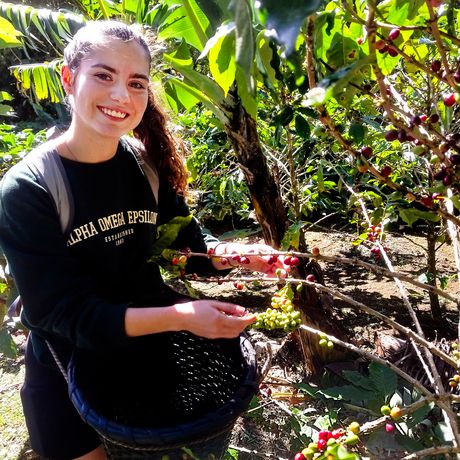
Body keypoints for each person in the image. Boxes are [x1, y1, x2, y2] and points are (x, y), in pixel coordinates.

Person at [0, 21, 288, 460]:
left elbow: (185, 245)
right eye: (103, 75)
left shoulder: (144, 166)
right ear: (67, 77)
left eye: (137, 82)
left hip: (149, 359)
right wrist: (183, 316)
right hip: (66, 368)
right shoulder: (29, 190)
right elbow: (63, 313)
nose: (121, 96)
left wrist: (232, 255)